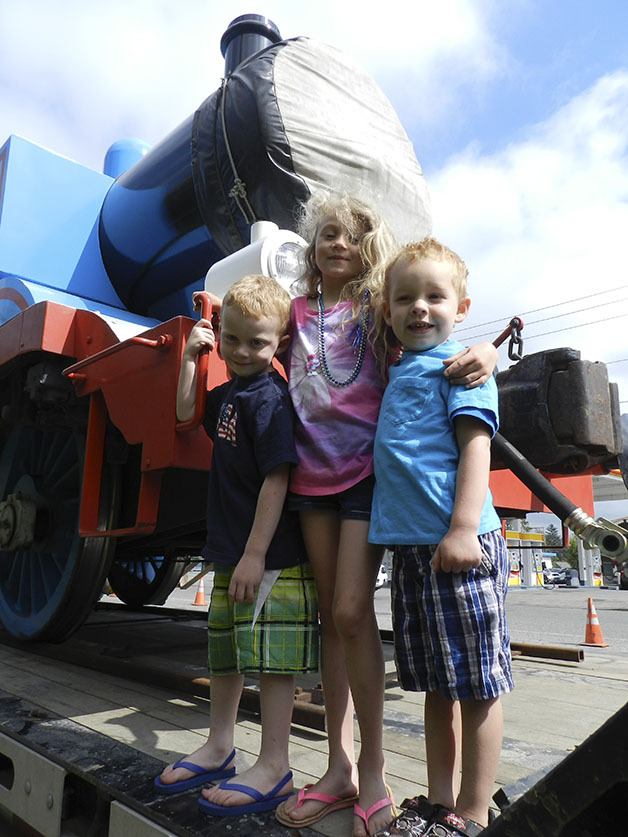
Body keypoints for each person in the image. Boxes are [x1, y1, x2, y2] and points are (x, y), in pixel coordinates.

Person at [275, 195, 499, 837]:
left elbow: (439, 328)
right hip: (312, 476)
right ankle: (338, 766)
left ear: (368, 246)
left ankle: (372, 769)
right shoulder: (297, 313)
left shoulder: (380, 313)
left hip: (365, 478)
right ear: (311, 248)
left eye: (352, 234)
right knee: (331, 614)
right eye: (326, 234)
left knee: (351, 610)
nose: (337, 243)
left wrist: (484, 348)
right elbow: (260, 343)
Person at [154, 275, 319, 817]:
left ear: (279, 344)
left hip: (267, 556)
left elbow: (278, 479)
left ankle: (275, 764)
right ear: (220, 335)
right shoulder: (228, 394)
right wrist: (189, 360)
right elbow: (183, 416)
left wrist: (253, 553)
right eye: (233, 340)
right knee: (224, 653)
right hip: (232, 550)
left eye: (258, 342)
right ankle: (220, 745)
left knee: (272, 663)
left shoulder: (270, 399)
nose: (243, 352)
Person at [369, 238, 513, 837]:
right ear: (388, 312)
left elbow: (475, 449)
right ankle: (439, 803)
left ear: (462, 304)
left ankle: (474, 814)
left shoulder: (464, 368)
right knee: (434, 683)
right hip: (412, 552)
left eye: (435, 296)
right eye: (405, 298)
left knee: (477, 684)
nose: (419, 308)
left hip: (458, 546)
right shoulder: (399, 367)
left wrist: (460, 529)